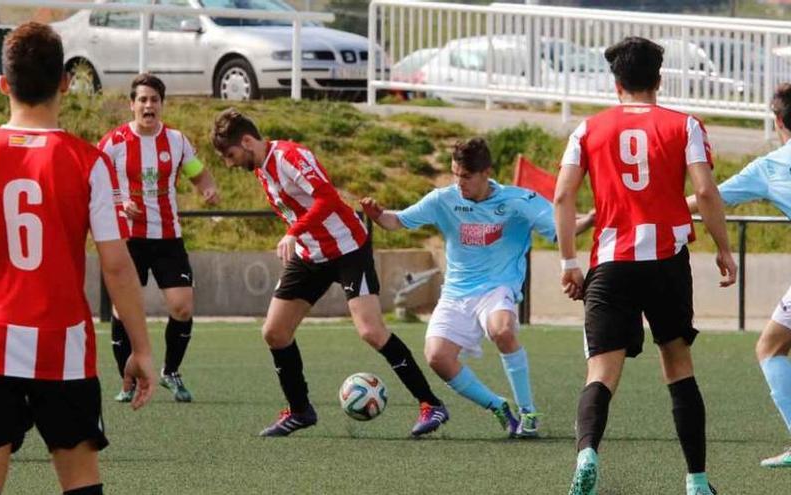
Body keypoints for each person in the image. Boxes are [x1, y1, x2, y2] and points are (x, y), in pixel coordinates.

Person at [0, 22, 155, 495]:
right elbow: (117, 265)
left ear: (3, 84)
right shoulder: (89, 162)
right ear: (65, 82)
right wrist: (140, 349)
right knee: (80, 481)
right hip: (62, 343)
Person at [553, 36, 737, 495]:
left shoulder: (587, 130)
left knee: (601, 371)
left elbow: (562, 196)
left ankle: (587, 453)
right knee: (677, 363)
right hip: (666, 263)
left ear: (616, 83)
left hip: (612, 263)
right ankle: (696, 481)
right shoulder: (685, 125)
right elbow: (708, 192)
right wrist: (723, 247)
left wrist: (569, 263)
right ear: (659, 79)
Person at [210, 108, 448, 437]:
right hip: (311, 255)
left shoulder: (290, 156)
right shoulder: (262, 169)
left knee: (371, 331)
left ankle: (430, 404)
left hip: (348, 249)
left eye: (230, 154)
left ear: (247, 141)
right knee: (275, 332)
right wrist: (298, 236)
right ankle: (300, 410)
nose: (230, 162)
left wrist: (294, 232)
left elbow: (328, 199)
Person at [361, 138, 592, 438]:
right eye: (455, 174)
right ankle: (498, 406)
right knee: (437, 356)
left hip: (497, 288)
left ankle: (528, 412)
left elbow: (565, 228)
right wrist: (379, 215)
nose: (459, 183)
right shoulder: (442, 200)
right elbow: (397, 221)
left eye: (466, 177)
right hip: (456, 293)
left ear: (486, 172)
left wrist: (591, 219)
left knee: (503, 329)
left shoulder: (517, 201)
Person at [687, 83, 791, 469]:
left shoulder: (770, 167)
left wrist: (655, 210)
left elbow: (709, 198)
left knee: (771, 348)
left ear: (777, 120)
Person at [98, 73, 219, 403]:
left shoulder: (177, 141)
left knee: (182, 307)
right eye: (143, 99)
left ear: (161, 105)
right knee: (123, 311)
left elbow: (197, 171)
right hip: (128, 239)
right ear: (132, 104)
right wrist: (121, 203)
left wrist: (207, 187)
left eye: (154, 100)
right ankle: (127, 380)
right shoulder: (114, 142)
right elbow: (93, 181)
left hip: (168, 237)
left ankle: (171, 371)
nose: (148, 105)